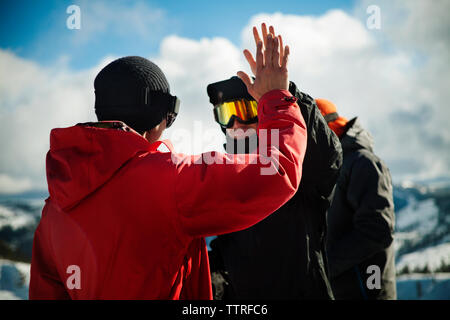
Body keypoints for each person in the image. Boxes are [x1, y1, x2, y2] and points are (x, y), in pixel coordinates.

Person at [29, 26, 307, 300]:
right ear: (160, 115)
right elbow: (278, 170)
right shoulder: (171, 180)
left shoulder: (55, 208)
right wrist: (276, 99)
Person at [206, 25, 343, 300]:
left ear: (264, 111)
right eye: (226, 113)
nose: (235, 122)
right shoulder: (226, 173)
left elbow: (327, 157)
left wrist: (284, 94)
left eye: (246, 110)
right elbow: (228, 249)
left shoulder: (296, 166)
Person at [315, 98, 396, 300]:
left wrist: (322, 267)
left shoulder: (362, 162)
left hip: (367, 289)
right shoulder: (326, 169)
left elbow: (378, 231)